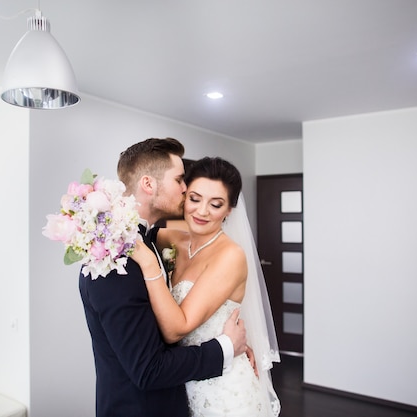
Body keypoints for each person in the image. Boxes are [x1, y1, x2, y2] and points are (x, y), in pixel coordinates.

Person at [78, 138, 248, 417]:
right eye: (181, 181)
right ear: (148, 184)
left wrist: (227, 338)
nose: (185, 188)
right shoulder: (113, 259)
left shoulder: (146, 240)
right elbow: (148, 369)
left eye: (215, 203)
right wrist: (226, 347)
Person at [131, 156, 281, 416]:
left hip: (223, 391)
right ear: (184, 196)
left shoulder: (230, 256)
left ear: (229, 210)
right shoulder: (173, 240)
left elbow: (175, 330)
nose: (201, 211)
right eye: (195, 198)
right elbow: (137, 229)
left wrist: (149, 266)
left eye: (216, 204)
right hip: (183, 382)